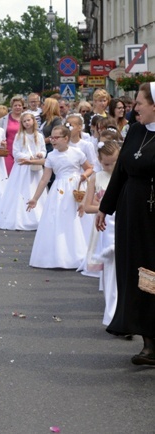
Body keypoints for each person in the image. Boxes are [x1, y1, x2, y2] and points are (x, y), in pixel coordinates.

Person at [96, 83, 155, 365]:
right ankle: (149, 344)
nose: (135, 109)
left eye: (140, 103)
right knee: (138, 275)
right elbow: (119, 172)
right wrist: (105, 208)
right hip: (132, 213)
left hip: (153, 214)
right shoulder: (135, 131)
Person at [27, 125, 93, 268]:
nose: (53, 140)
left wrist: (84, 175)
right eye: (51, 137)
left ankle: (80, 253)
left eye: (56, 138)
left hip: (76, 187)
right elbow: (45, 179)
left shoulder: (77, 153)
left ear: (66, 138)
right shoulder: (51, 156)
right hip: (59, 189)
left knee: (77, 220)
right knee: (58, 220)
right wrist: (35, 198)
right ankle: (59, 255)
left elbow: (89, 168)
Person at [82, 140, 120, 326]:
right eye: (106, 163)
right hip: (105, 229)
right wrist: (106, 207)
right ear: (99, 160)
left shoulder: (124, 177)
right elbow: (87, 206)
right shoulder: (96, 178)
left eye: (115, 162)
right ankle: (111, 313)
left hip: (122, 227)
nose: (111, 167)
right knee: (110, 273)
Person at [0, 112, 46, 231]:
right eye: (24, 121)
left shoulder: (39, 136)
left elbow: (43, 150)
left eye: (29, 120)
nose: (27, 123)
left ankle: (37, 216)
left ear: (33, 121)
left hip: (36, 168)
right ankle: (20, 216)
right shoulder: (19, 136)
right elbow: (16, 153)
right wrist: (29, 157)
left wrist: (40, 154)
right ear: (22, 124)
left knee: (35, 188)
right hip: (22, 168)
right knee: (21, 190)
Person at [0, 96, 24, 174]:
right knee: (8, 173)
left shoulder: (26, 119)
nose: (17, 107)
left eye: (19, 105)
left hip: (22, 151)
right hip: (8, 151)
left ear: (23, 107)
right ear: (11, 107)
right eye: (15, 105)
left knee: (20, 175)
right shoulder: (4, 120)